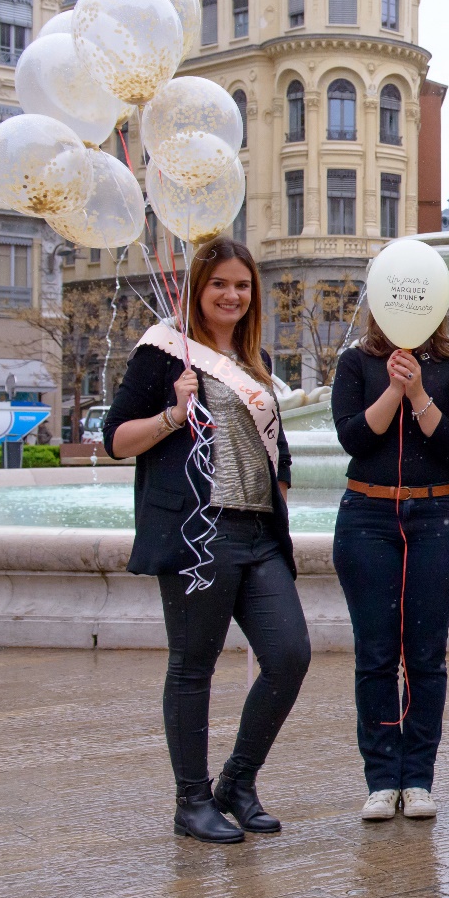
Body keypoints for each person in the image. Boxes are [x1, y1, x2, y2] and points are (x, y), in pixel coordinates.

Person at [104, 237, 309, 845]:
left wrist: (283, 491)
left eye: (242, 285)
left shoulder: (256, 361)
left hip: (258, 534)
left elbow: (280, 454)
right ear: (198, 288)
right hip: (201, 532)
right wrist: (173, 414)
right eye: (220, 284)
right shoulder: (163, 353)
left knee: (290, 655)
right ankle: (190, 802)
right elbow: (117, 439)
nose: (232, 295)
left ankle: (236, 784)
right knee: (194, 668)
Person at [331, 312, 449, 822]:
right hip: (367, 515)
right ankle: (380, 779)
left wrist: (418, 393)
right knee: (374, 653)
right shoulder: (355, 364)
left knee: (425, 655)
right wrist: (394, 389)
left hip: (435, 513)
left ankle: (417, 779)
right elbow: (354, 438)